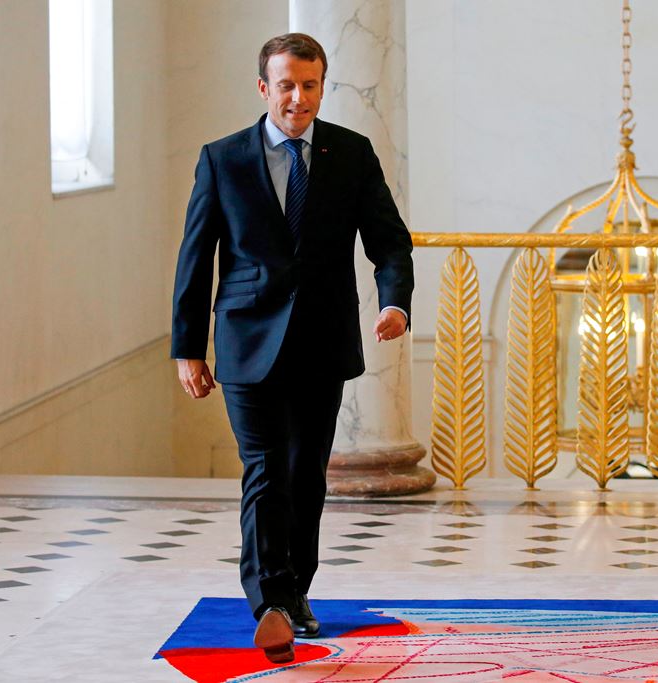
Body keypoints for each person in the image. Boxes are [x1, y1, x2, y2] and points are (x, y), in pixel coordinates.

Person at [170, 33, 413, 664]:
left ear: (321, 86)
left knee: (307, 476)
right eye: (286, 85)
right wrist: (187, 348)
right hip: (247, 338)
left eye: (310, 85)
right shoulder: (222, 159)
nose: (298, 98)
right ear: (264, 88)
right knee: (265, 471)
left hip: (322, 341)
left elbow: (389, 240)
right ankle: (270, 601)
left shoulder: (351, 154)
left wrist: (394, 301)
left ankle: (296, 594)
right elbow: (196, 260)